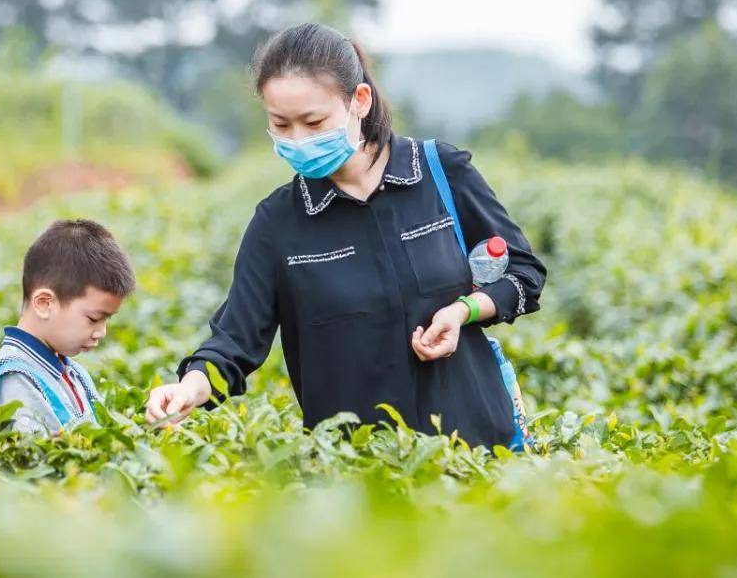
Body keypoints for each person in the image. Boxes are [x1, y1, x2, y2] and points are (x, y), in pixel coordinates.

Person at [146, 22, 547, 448]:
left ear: (359, 100)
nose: (297, 140)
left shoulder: (439, 173)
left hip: (478, 451)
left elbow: (523, 273)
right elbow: (234, 342)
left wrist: (463, 311)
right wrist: (190, 388)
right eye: (281, 125)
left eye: (313, 121)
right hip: (356, 473)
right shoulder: (279, 223)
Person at [0, 219, 135, 435]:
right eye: (93, 318)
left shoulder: (70, 370)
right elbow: (34, 459)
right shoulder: (16, 376)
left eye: (107, 319)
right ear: (44, 303)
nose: (102, 332)